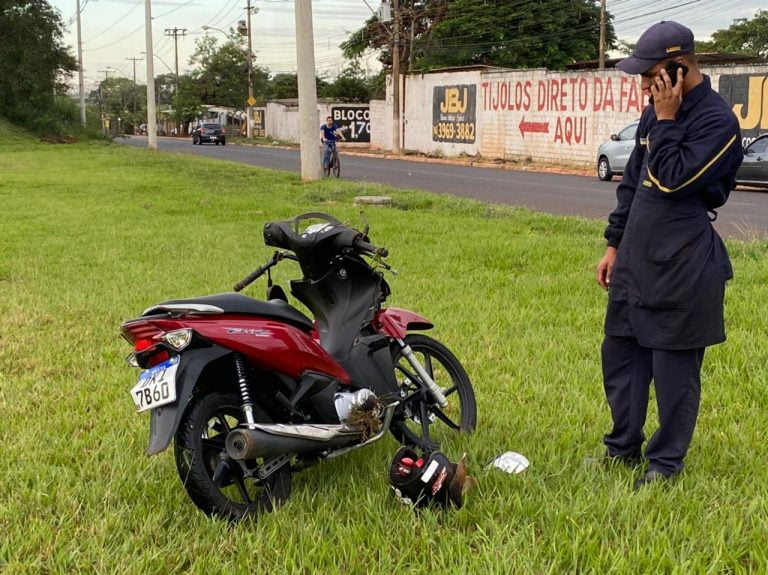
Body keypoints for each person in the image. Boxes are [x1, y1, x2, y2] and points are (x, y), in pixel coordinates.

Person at [594, 21, 743, 489]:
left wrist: (667, 120)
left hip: (683, 261)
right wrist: (614, 243)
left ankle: (664, 464)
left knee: (673, 367)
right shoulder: (653, 113)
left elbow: (673, 179)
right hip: (637, 254)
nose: (642, 85)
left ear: (678, 68)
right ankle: (622, 448)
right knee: (621, 354)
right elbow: (634, 182)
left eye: (649, 74)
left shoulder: (718, 122)